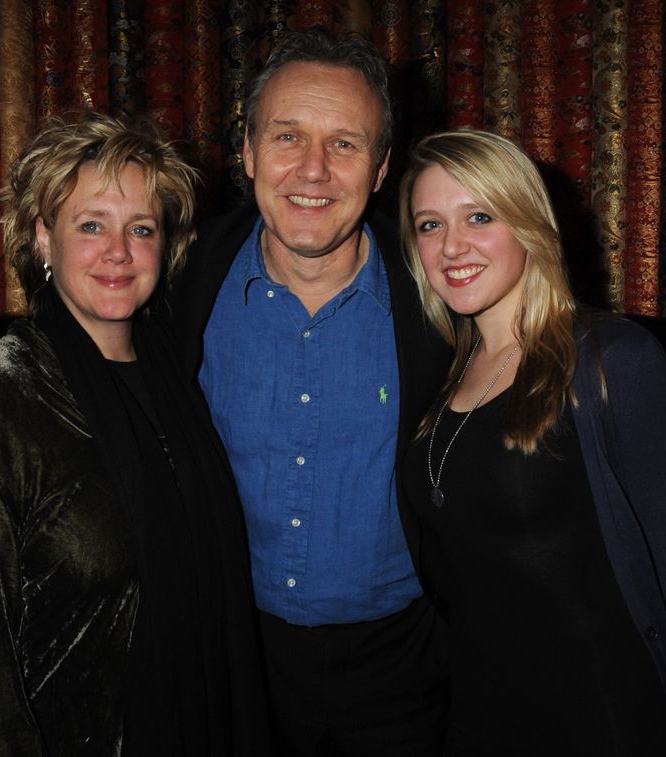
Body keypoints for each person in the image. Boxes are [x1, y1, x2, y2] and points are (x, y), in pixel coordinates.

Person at [0, 112, 270, 755]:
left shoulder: (180, 370)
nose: (119, 251)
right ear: (43, 238)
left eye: (141, 228)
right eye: (90, 225)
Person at [398, 129, 666, 756]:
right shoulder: (440, 372)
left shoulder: (613, 362)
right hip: (479, 714)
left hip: (600, 718)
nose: (452, 245)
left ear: (528, 224)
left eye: (479, 216)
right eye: (429, 225)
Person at [167, 28, 451, 756]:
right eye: (288, 136)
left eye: (346, 144)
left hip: (408, 669)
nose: (313, 170)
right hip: (231, 654)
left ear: (383, 167)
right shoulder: (176, 279)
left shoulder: (445, 294)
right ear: (250, 152)